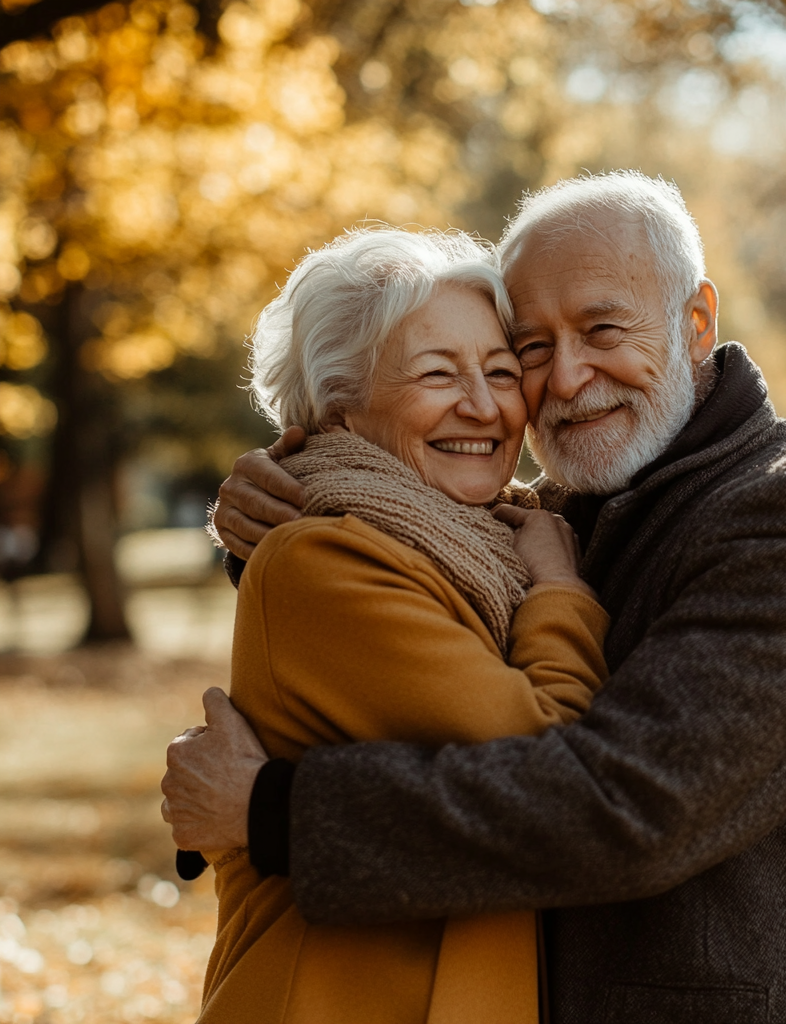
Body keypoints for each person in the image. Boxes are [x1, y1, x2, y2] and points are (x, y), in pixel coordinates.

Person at [164, 171, 786, 1024]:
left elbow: (627, 808)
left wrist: (272, 811)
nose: (568, 377)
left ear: (694, 322)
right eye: (535, 348)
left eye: (602, 329)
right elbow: (402, 560)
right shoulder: (561, 512)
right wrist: (295, 501)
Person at [191, 227, 610, 1024]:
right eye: (436, 374)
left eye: (498, 370)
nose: (484, 407)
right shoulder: (321, 559)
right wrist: (560, 589)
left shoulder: (494, 535)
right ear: (339, 403)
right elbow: (552, 758)